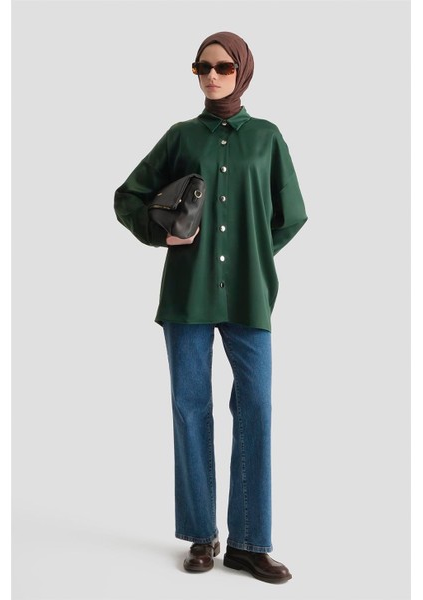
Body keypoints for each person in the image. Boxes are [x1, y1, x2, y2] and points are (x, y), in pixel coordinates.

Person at [114, 31, 307, 584]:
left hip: (248, 296)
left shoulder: (267, 137)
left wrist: (252, 256)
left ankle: (248, 543)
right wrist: (161, 233)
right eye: (202, 67)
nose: (212, 76)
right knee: (190, 407)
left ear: (242, 71)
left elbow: (292, 214)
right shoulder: (181, 135)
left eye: (223, 66)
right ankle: (202, 534)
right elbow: (128, 196)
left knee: (257, 408)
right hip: (187, 295)